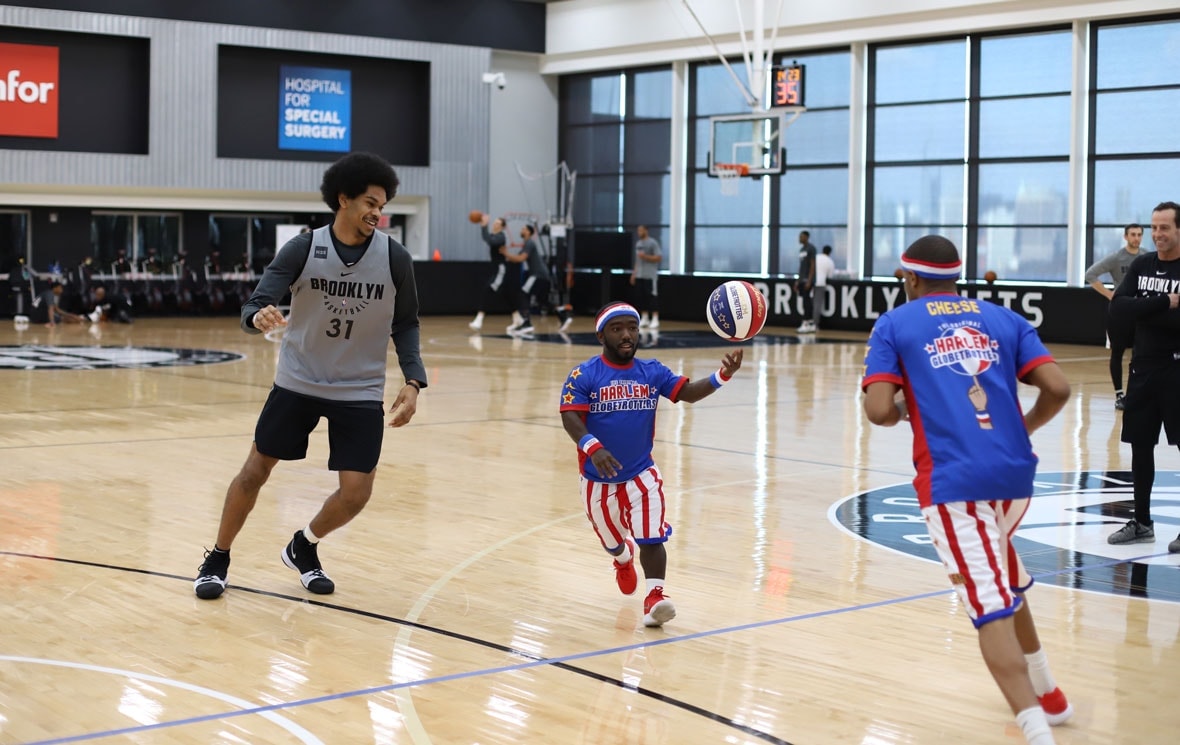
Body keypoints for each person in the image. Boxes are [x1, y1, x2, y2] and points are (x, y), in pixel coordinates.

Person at [861, 235, 1073, 744]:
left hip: (955, 481)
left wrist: (906, 408)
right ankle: (1049, 693)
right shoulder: (1004, 319)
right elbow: (1059, 388)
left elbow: (878, 411)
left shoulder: (894, 324)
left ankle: (1036, 730)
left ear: (911, 278)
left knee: (988, 605)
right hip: (1015, 477)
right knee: (1005, 575)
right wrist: (1023, 427)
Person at [193, 151, 428, 599]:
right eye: (370, 203)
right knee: (254, 471)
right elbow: (254, 305)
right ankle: (218, 557)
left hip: (359, 388)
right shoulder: (303, 248)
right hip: (298, 381)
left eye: (382, 206)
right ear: (343, 199)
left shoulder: (395, 258)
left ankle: (304, 545)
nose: (377, 213)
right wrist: (257, 318)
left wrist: (413, 381)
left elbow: (407, 323)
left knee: (356, 493)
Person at [559, 302, 743, 627]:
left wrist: (722, 376)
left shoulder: (652, 371)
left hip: (641, 473)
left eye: (632, 328)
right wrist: (593, 448)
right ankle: (622, 558)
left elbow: (687, 392)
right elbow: (570, 416)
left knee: (652, 536)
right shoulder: (584, 374)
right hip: (597, 479)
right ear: (601, 336)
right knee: (612, 541)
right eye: (617, 329)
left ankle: (655, 597)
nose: (627, 335)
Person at [1107, 201, 1180, 553]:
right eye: (1154, 227)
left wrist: (1143, 309)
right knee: (1140, 446)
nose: (1157, 234)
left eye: (1164, 227)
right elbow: (1118, 307)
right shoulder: (1142, 264)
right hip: (1143, 368)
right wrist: (1164, 303)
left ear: (1179, 230)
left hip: (1177, 370)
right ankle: (1142, 522)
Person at [1084, 223, 1145, 410]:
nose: (1136, 238)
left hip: (1140, 311)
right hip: (1120, 314)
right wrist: (1111, 295)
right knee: (1117, 353)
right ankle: (1119, 395)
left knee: (1140, 353)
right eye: (1133, 234)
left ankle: (1135, 393)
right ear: (1125, 237)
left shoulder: (1146, 256)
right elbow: (1090, 274)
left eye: (1139, 234)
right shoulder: (1117, 258)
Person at [504, 223, 572, 335]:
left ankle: (527, 323)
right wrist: (506, 257)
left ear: (529, 232)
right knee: (543, 301)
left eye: (523, 229)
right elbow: (516, 259)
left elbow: (521, 258)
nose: (521, 230)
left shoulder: (529, 243)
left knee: (523, 294)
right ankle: (563, 316)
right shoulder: (526, 244)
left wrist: (506, 253)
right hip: (543, 276)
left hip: (538, 275)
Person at [468, 214, 520, 332]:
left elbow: (490, 241)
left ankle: (479, 320)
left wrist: (484, 226)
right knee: (506, 295)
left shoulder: (501, 237)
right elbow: (487, 238)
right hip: (496, 269)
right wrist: (483, 226)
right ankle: (518, 318)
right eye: (494, 223)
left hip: (500, 270)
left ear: (502, 227)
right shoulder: (494, 236)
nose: (495, 225)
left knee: (488, 290)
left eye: (497, 224)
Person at [630, 225, 661, 329]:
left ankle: (655, 318)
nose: (639, 232)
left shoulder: (653, 243)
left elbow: (658, 257)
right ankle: (645, 317)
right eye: (638, 230)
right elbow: (637, 260)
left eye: (641, 230)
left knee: (651, 296)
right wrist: (634, 274)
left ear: (646, 231)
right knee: (641, 297)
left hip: (650, 275)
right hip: (640, 274)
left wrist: (646, 257)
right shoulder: (638, 244)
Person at [795, 231, 817, 334]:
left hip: (808, 280)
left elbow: (812, 265)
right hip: (802, 279)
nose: (800, 238)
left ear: (807, 237)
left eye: (802, 236)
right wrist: (798, 281)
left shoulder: (811, 248)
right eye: (799, 236)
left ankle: (806, 323)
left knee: (806, 302)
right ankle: (811, 324)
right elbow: (801, 267)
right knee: (805, 301)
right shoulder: (801, 250)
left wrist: (809, 280)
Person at [812, 244, 836, 332]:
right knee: (817, 304)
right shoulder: (830, 261)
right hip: (821, 283)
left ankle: (807, 322)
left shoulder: (816, 257)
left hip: (811, 282)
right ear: (830, 252)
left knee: (810, 303)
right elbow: (830, 276)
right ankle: (814, 324)